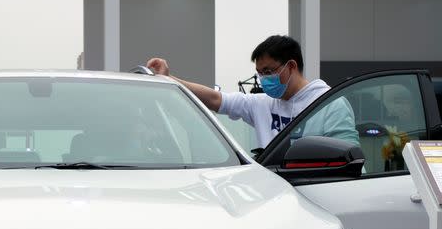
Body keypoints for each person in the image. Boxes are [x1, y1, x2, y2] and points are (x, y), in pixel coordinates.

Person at [147, 35, 357, 149]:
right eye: (259, 73)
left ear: (291, 66)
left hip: (317, 197)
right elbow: (215, 98)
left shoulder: (329, 104)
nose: (264, 79)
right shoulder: (263, 104)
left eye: (269, 71)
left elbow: (351, 160)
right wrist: (168, 79)